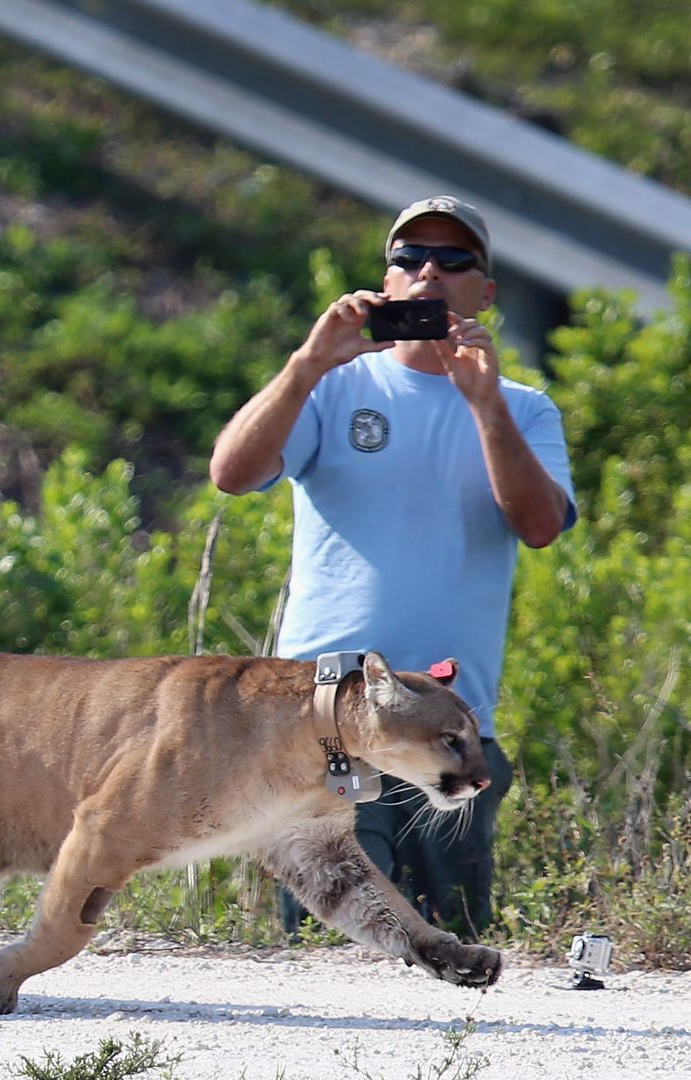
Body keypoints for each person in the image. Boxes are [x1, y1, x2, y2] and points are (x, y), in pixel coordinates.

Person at [209, 195, 575, 939]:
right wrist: (308, 361)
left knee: (453, 938)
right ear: (385, 281)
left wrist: (483, 404)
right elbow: (232, 472)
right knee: (334, 937)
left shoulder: (521, 408)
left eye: (452, 260)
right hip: (324, 717)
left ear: (486, 291)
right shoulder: (333, 387)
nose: (428, 272)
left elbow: (539, 527)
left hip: (453, 726)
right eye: (409, 259)